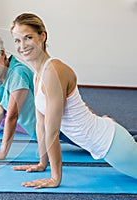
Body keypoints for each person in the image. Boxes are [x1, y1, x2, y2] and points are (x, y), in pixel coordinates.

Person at [10, 13, 137, 189]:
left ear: (43, 36)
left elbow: (53, 131)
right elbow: (41, 126)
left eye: (28, 37)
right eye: (17, 40)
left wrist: (55, 178)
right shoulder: (37, 74)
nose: (22, 45)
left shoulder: (53, 71)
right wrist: (42, 163)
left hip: (110, 143)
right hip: (100, 139)